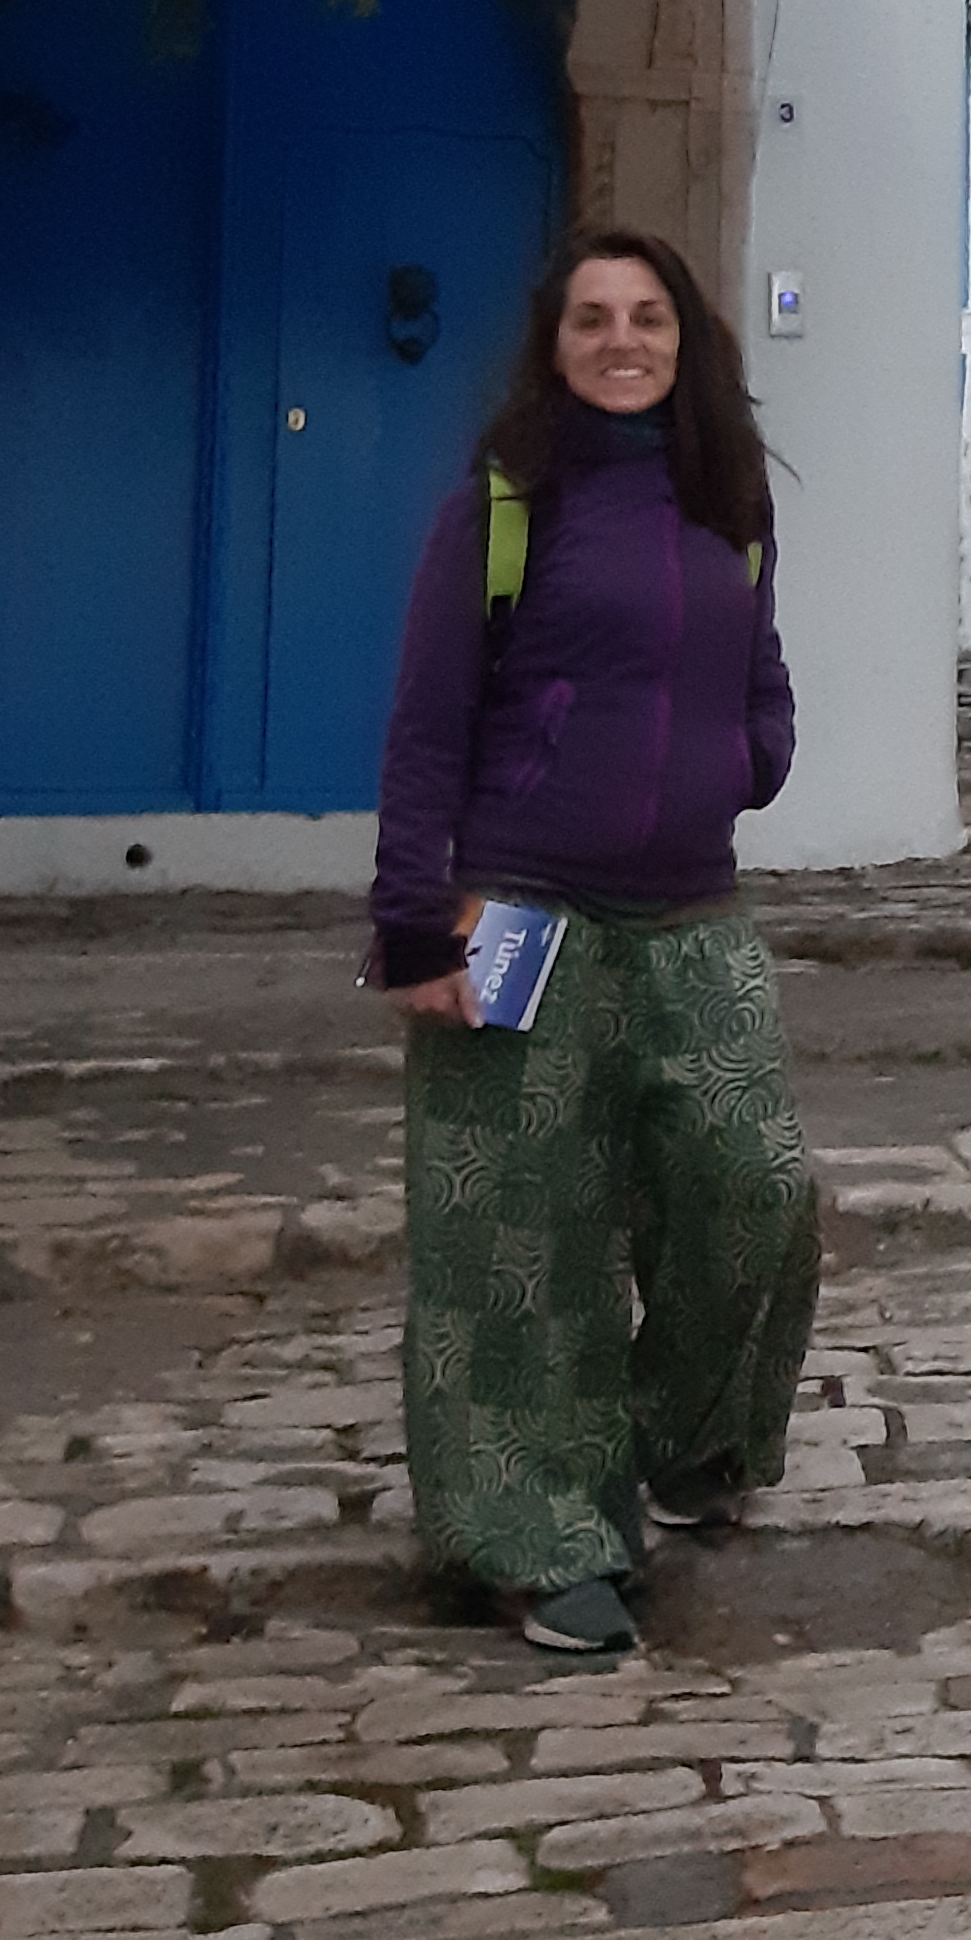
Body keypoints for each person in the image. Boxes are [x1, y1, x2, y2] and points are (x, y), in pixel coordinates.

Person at [364, 224, 818, 1657]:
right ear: (553, 349)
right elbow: (428, 729)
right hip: (512, 912)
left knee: (760, 1186)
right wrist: (407, 928)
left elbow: (759, 666)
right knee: (515, 1237)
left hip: (692, 911)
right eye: (590, 321)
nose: (622, 340)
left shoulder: (727, 501)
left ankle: (687, 1442)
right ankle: (538, 1535)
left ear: (687, 341)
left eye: (648, 318)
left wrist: (755, 754)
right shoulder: (504, 507)